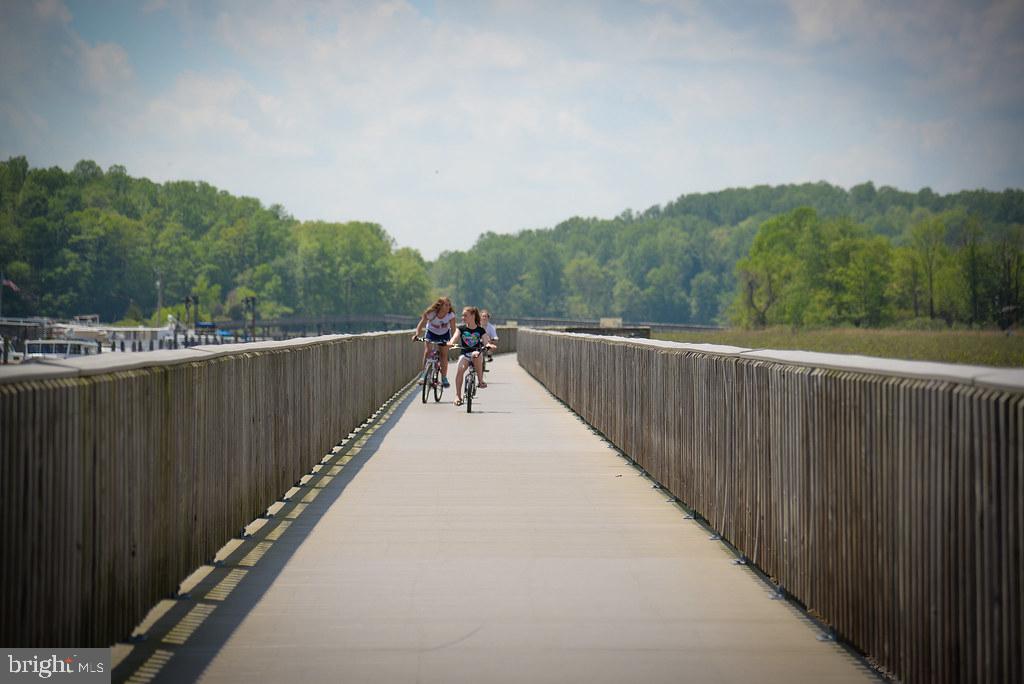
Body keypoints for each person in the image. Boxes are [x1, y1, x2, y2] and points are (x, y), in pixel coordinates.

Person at [450, 306, 491, 406]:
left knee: (475, 354)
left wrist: (488, 345)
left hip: (476, 353)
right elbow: (455, 337)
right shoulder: (461, 328)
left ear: (472, 316)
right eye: (462, 315)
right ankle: (457, 396)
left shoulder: (480, 330)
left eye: (465, 315)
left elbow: (486, 341)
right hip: (464, 354)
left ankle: (480, 381)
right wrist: (450, 342)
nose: (463, 317)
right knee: (460, 369)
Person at [413, 297, 456, 387]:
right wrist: (417, 334)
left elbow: (453, 329)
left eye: (449, 305)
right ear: (440, 306)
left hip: (444, 334)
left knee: (443, 355)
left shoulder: (450, 315)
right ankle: (423, 374)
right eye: (446, 305)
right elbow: (421, 324)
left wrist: (452, 341)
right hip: (431, 333)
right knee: (428, 351)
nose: (448, 307)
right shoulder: (431, 313)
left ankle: (444, 378)